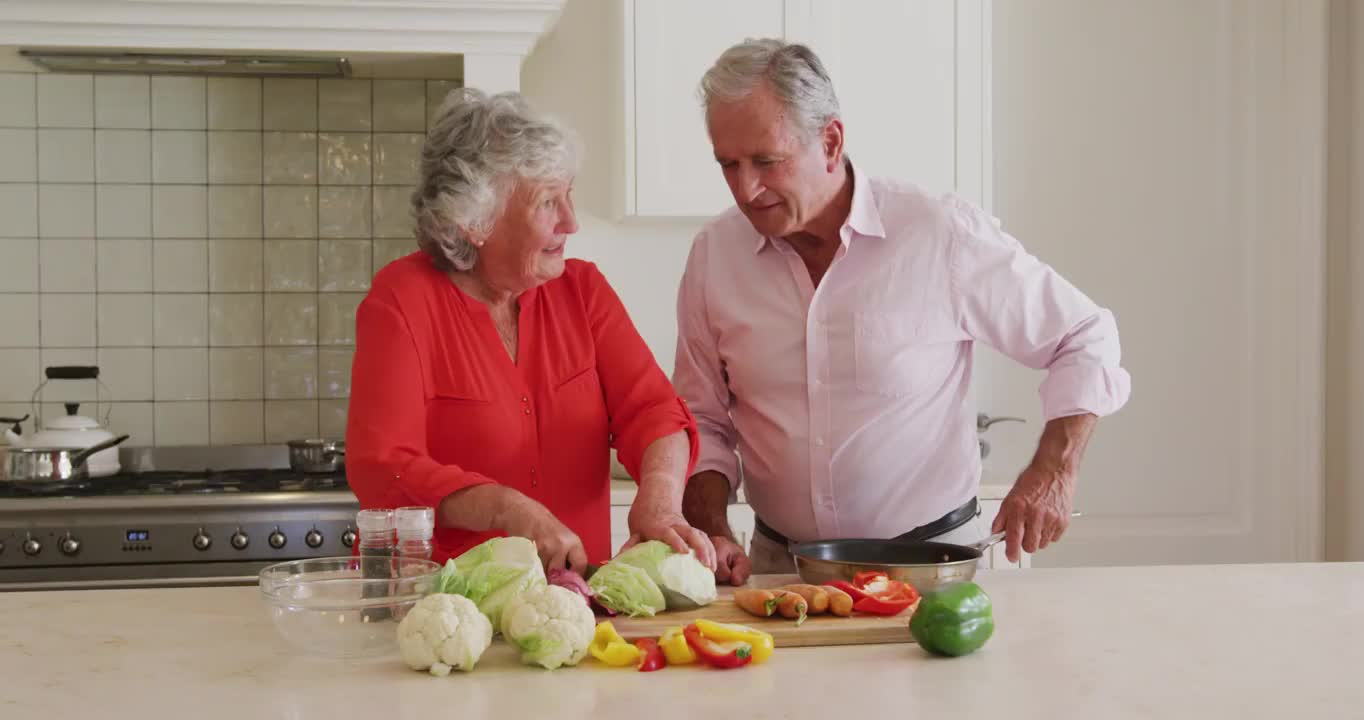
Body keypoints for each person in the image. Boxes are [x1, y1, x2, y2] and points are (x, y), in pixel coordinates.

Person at [673, 39, 1132, 583]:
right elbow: (699, 417)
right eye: (728, 164)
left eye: (766, 162)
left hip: (930, 568)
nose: (746, 189)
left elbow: (1084, 335)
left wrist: (1053, 471)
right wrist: (712, 525)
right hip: (781, 571)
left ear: (830, 140)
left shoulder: (939, 233)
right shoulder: (715, 255)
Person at [346, 88, 715, 574]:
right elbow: (382, 463)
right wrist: (506, 508)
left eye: (569, 195)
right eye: (547, 203)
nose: (572, 221)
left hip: (576, 605)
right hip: (447, 606)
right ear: (474, 222)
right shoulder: (402, 299)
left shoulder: (582, 292)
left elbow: (653, 410)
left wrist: (662, 500)